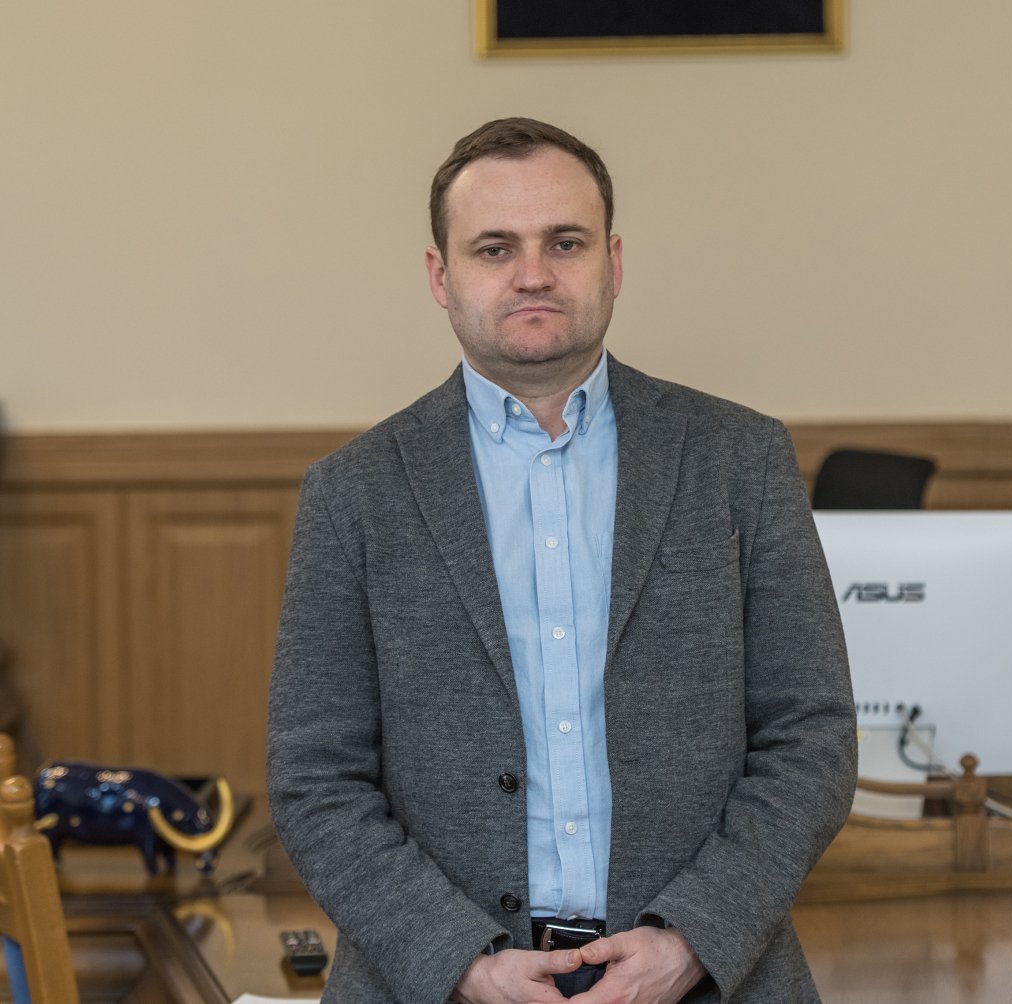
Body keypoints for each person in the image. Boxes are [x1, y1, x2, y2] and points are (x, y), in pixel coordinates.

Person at [267, 117, 857, 1003]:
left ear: (613, 263)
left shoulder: (742, 459)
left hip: (709, 978)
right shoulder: (353, 493)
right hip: (436, 984)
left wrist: (691, 939)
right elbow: (315, 778)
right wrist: (459, 962)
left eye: (565, 242)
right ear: (440, 275)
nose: (534, 273)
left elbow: (812, 734)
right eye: (494, 248)